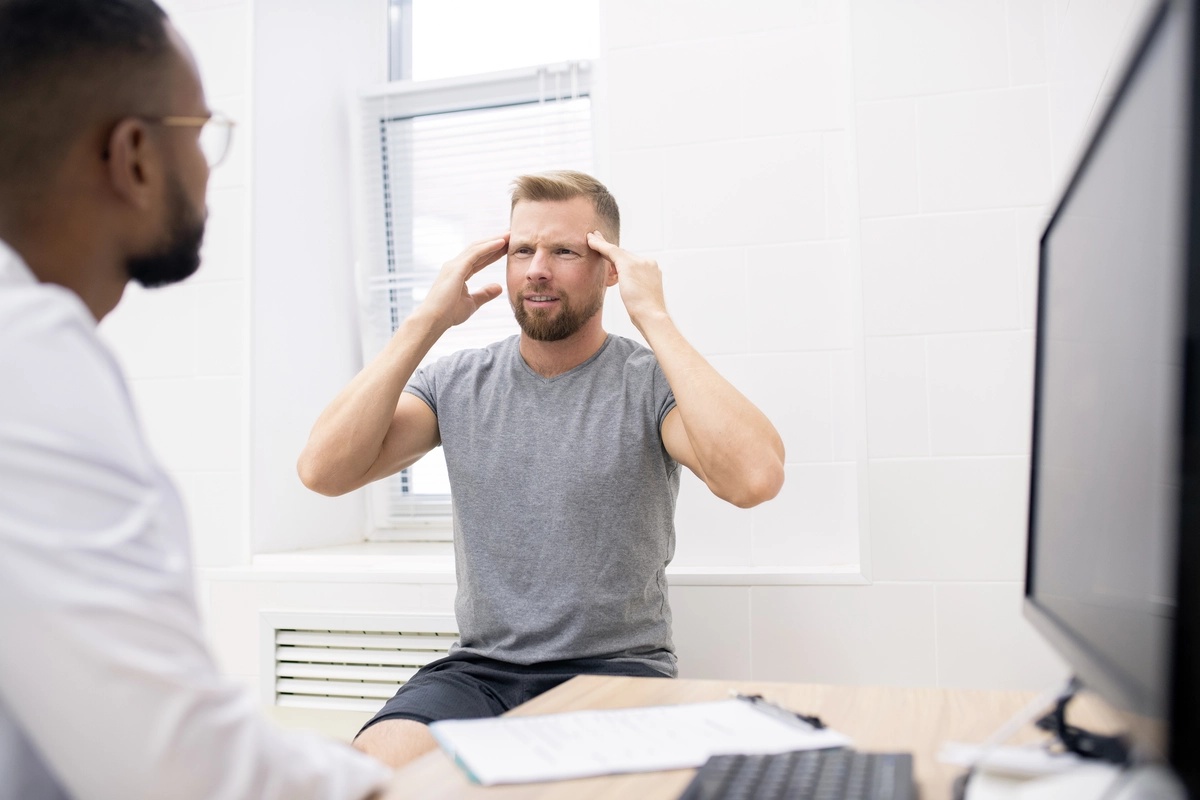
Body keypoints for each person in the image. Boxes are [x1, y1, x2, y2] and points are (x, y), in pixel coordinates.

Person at [0, 1, 392, 797]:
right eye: (202, 132)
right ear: (136, 155)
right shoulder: (25, 345)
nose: (212, 168)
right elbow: (176, 767)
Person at [298, 170, 787, 767]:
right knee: (368, 774)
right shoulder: (456, 382)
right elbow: (322, 470)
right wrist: (426, 320)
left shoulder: (648, 384)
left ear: (610, 268)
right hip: (478, 672)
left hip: (616, 670)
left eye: (564, 251)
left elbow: (755, 478)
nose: (536, 268)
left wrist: (652, 316)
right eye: (522, 249)